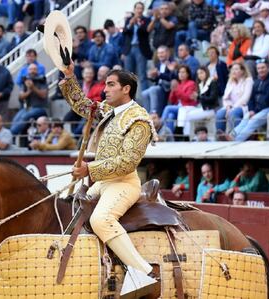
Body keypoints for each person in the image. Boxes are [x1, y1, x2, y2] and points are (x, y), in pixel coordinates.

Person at [60, 61, 159, 294]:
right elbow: (84, 106)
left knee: (101, 220)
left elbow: (127, 163)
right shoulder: (110, 111)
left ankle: (144, 273)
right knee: (71, 209)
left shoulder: (139, 120)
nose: (105, 89)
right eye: (105, 84)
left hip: (124, 184)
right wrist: (69, 76)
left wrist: (89, 170)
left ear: (126, 89)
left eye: (111, 84)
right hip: (103, 183)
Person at [224, 60, 269, 141]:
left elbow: (268, 99)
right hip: (257, 109)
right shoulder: (257, 81)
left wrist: (255, 111)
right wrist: (251, 110)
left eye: (263, 68)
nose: (261, 70)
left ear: (268, 68)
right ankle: (231, 136)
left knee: (253, 121)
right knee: (245, 120)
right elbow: (251, 99)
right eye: (258, 68)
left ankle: (236, 140)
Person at [10, 63, 48, 135]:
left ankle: (10, 134)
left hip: (40, 108)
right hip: (28, 108)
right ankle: (12, 137)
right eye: (30, 69)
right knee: (15, 119)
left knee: (25, 117)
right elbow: (20, 97)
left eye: (34, 69)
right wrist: (29, 90)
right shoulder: (25, 81)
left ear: (37, 71)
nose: (32, 71)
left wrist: (33, 87)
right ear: (28, 71)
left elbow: (43, 95)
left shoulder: (42, 80)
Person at [122, 1, 152, 91]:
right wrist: (131, 23)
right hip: (129, 49)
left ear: (143, 10)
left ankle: (145, 97)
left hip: (140, 49)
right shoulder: (128, 19)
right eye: (137, 8)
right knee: (128, 76)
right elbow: (124, 32)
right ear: (134, 9)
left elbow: (146, 32)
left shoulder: (146, 20)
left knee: (142, 75)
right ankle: (129, 100)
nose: (139, 10)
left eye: (141, 8)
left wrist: (138, 23)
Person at [216, 62, 254, 133]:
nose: (233, 71)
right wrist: (228, 106)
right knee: (219, 113)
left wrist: (232, 108)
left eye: (236, 69)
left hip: (243, 106)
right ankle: (220, 136)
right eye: (232, 69)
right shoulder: (230, 81)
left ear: (242, 71)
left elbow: (245, 98)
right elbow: (225, 98)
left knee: (234, 113)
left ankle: (236, 135)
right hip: (230, 107)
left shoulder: (248, 80)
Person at [161, 65, 197, 134]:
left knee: (168, 108)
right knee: (171, 115)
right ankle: (169, 135)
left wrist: (177, 90)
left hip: (187, 107)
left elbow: (187, 98)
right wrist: (172, 91)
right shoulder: (179, 84)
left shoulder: (191, 83)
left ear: (188, 74)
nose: (181, 74)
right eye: (179, 72)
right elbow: (172, 101)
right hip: (179, 107)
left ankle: (159, 125)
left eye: (183, 72)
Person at [184, 66, 219, 136]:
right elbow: (201, 99)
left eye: (202, 73)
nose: (200, 75)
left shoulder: (212, 83)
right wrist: (195, 98)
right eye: (198, 74)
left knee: (188, 116)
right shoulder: (201, 84)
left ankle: (186, 136)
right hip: (204, 108)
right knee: (186, 113)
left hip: (210, 109)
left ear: (206, 73)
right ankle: (191, 135)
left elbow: (212, 98)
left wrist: (198, 97)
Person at [141, 46, 175, 115]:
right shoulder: (158, 64)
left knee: (153, 89)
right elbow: (156, 79)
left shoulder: (173, 63)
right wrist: (151, 76)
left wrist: (159, 74)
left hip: (167, 88)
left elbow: (172, 77)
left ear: (168, 53)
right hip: (158, 87)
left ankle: (154, 113)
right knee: (144, 93)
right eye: (158, 53)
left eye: (162, 53)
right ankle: (147, 114)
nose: (160, 55)